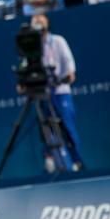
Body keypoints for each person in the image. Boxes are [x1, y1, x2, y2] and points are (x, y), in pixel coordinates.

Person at [30, 13, 84, 170]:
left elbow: (69, 64)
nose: (38, 21)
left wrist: (69, 73)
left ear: (47, 23)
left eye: (41, 19)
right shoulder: (31, 46)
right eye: (35, 20)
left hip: (60, 92)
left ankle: (76, 162)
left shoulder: (58, 41)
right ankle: (51, 160)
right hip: (42, 94)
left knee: (67, 127)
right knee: (46, 129)